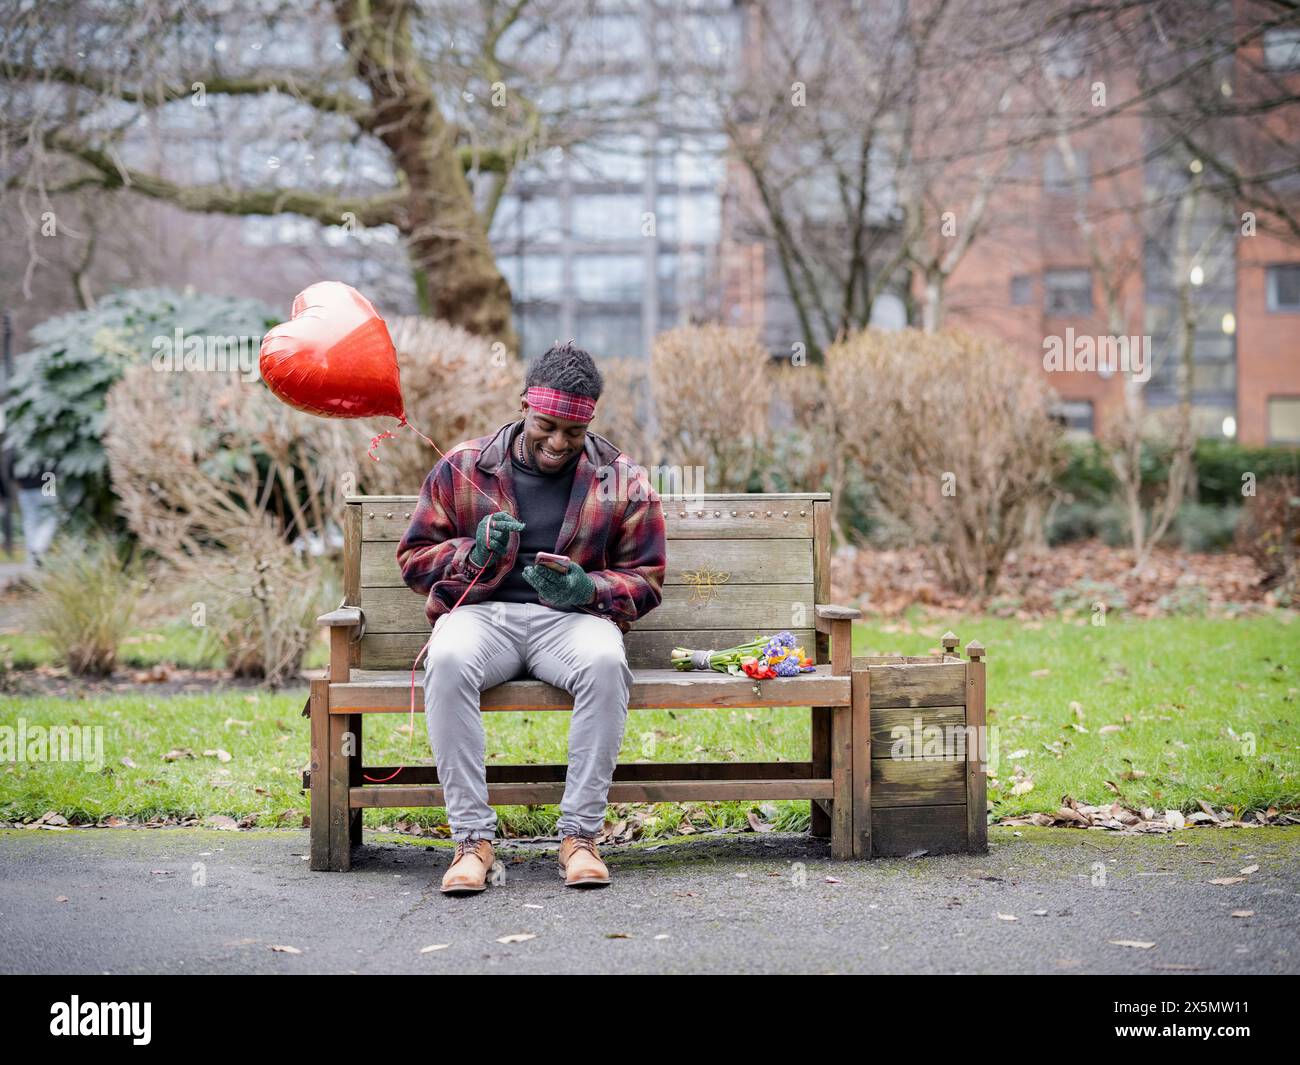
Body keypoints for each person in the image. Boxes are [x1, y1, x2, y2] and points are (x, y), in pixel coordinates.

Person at [396, 340, 667, 896]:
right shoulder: (464, 466)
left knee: (604, 662)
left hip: (569, 622)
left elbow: (646, 579)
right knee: (445, 659)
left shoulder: (619, 478)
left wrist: (586, 587)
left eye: (573, 432)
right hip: (482, 616)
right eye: (546, 425)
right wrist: (472, 553)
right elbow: (414, 559)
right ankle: (471, 842)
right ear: (525, 404)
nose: (558, 443)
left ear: (590, 419)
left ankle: (580, 837)